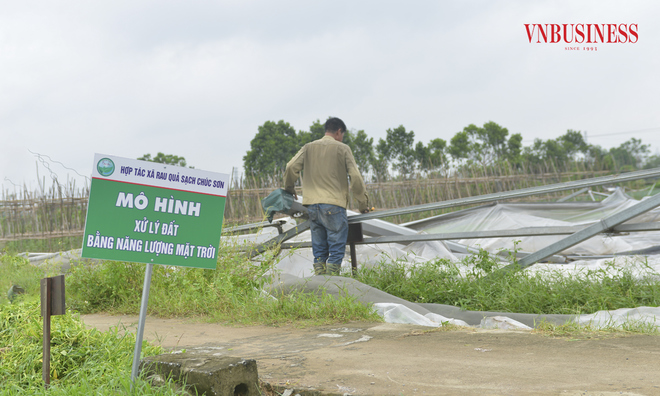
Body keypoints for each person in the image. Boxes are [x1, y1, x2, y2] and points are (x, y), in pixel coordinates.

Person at [284, 117, 370, 276]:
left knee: (320, 250)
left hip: (313, 207)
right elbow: (356, 177)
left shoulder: (308, 147)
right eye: (342, 134)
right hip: (333, 205)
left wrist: (289, 188)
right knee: (336, 250)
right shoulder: (343, 149)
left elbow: (290, 167)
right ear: (339, 132)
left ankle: (320, 288)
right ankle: (331, 285)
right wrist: (363, 204)